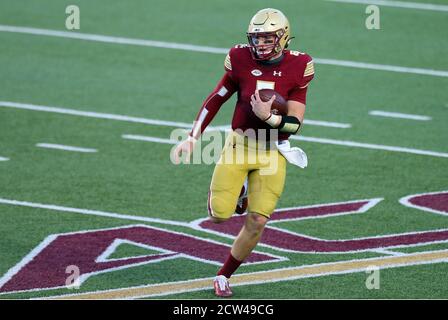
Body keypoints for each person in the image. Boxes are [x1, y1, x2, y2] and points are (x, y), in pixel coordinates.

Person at [173, 8, 315, 297]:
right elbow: (216, 98)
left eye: (267, 38)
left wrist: (269, 118)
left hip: (273, 151)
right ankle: (240, 194)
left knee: (258, 221)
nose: (260, 44)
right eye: (256, 38)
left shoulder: (300, 65)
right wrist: (192, 137)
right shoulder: (239, 58)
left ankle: (224, 276)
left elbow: (296, 123)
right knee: (218, 216)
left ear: (283, 37)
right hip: (240, 145)